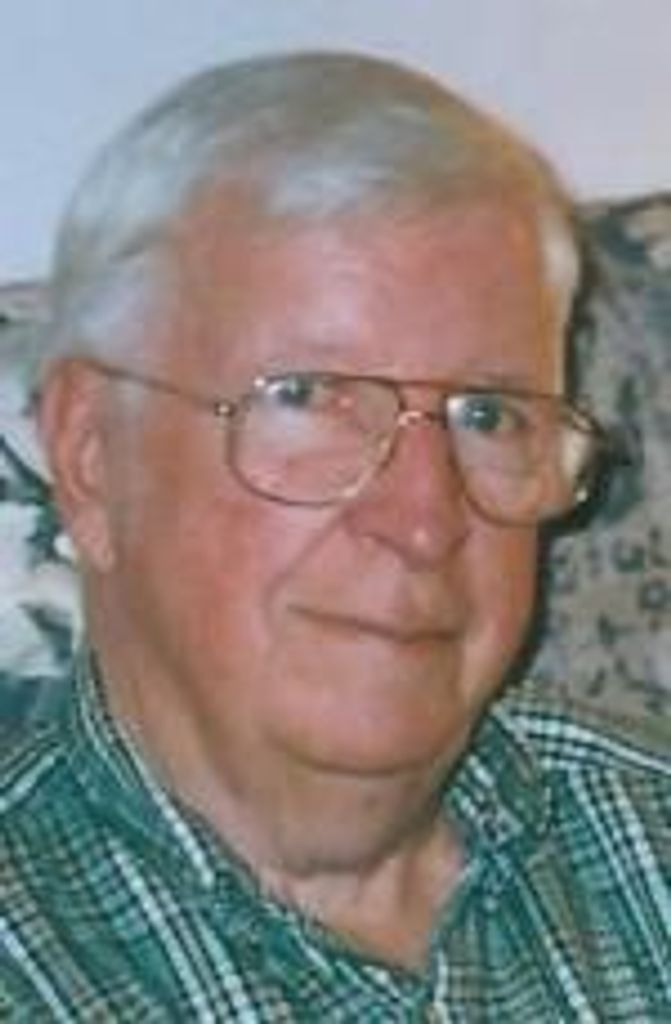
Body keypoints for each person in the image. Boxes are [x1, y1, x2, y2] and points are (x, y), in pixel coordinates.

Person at [1, 51, 669, 1021]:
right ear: (94, 454)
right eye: (308, 396)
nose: (423, 519)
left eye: (488, 415)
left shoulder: (645, 838)